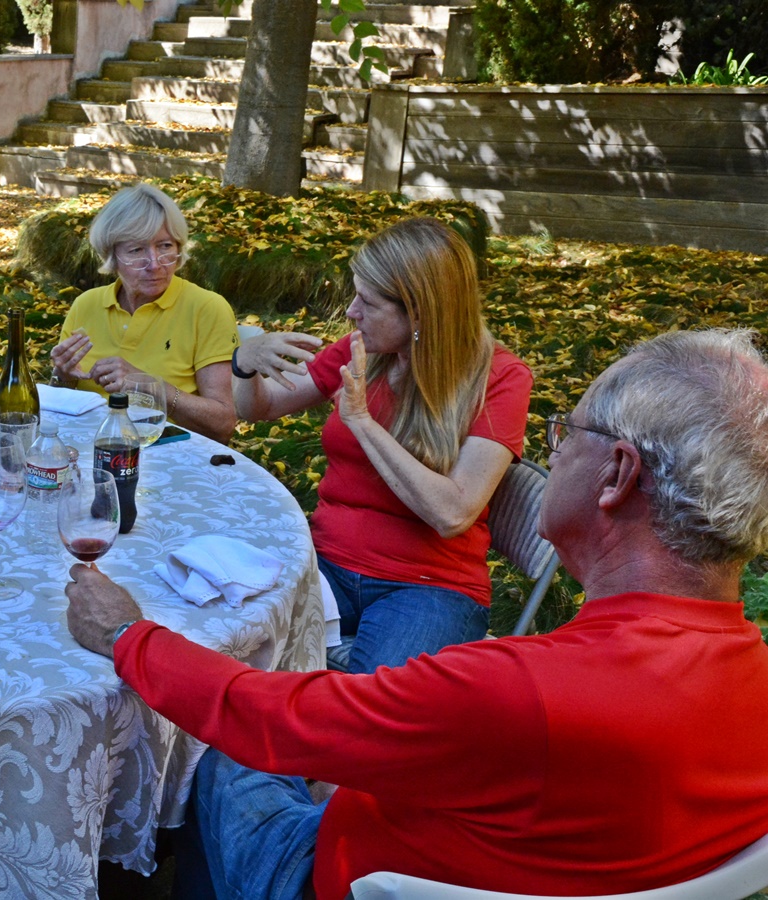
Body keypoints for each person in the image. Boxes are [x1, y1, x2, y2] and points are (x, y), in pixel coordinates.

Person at [64, 328, 768, 899]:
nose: (549, 455)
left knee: (222, 762)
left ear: (616, 475)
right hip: (517, 862)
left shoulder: (518, 692)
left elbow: (266, 719)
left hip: (335, 876)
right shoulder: (752, 683)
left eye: (563, 435)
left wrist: (127, 633)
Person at [234, 217, 532, 672]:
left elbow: (453, 513)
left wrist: (362, 423)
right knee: (230, 647)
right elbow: (260, 409)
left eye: (368, 302)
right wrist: (245, 365)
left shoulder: (500, 379)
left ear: (419, 312)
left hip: (429, 587)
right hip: (326, 563)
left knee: (369, 712)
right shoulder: (365, 349)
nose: (352, 311)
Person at [49, 183, 238, 443]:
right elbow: (58, 406)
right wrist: (62, 377)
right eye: (137, 250)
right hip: (87, 446)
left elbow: (222, 424)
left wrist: (147, 387)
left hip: (169, 455)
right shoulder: (86, 305)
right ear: (112, 255)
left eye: (164, 246)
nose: (154, 263)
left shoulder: (206, 308)